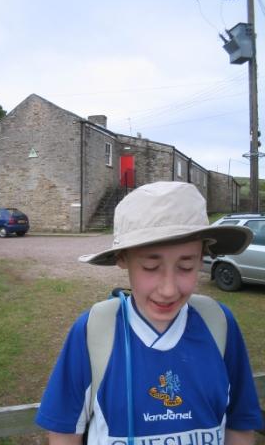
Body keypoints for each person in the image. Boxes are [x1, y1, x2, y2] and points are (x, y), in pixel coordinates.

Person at [35, 181, 262, 445]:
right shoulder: (94, 331)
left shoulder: (219, 324)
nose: (168, 290)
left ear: (202, 258)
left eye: (186, 266)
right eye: (151, 267)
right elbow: (64, 432)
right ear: (122, 258)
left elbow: (240, 425)